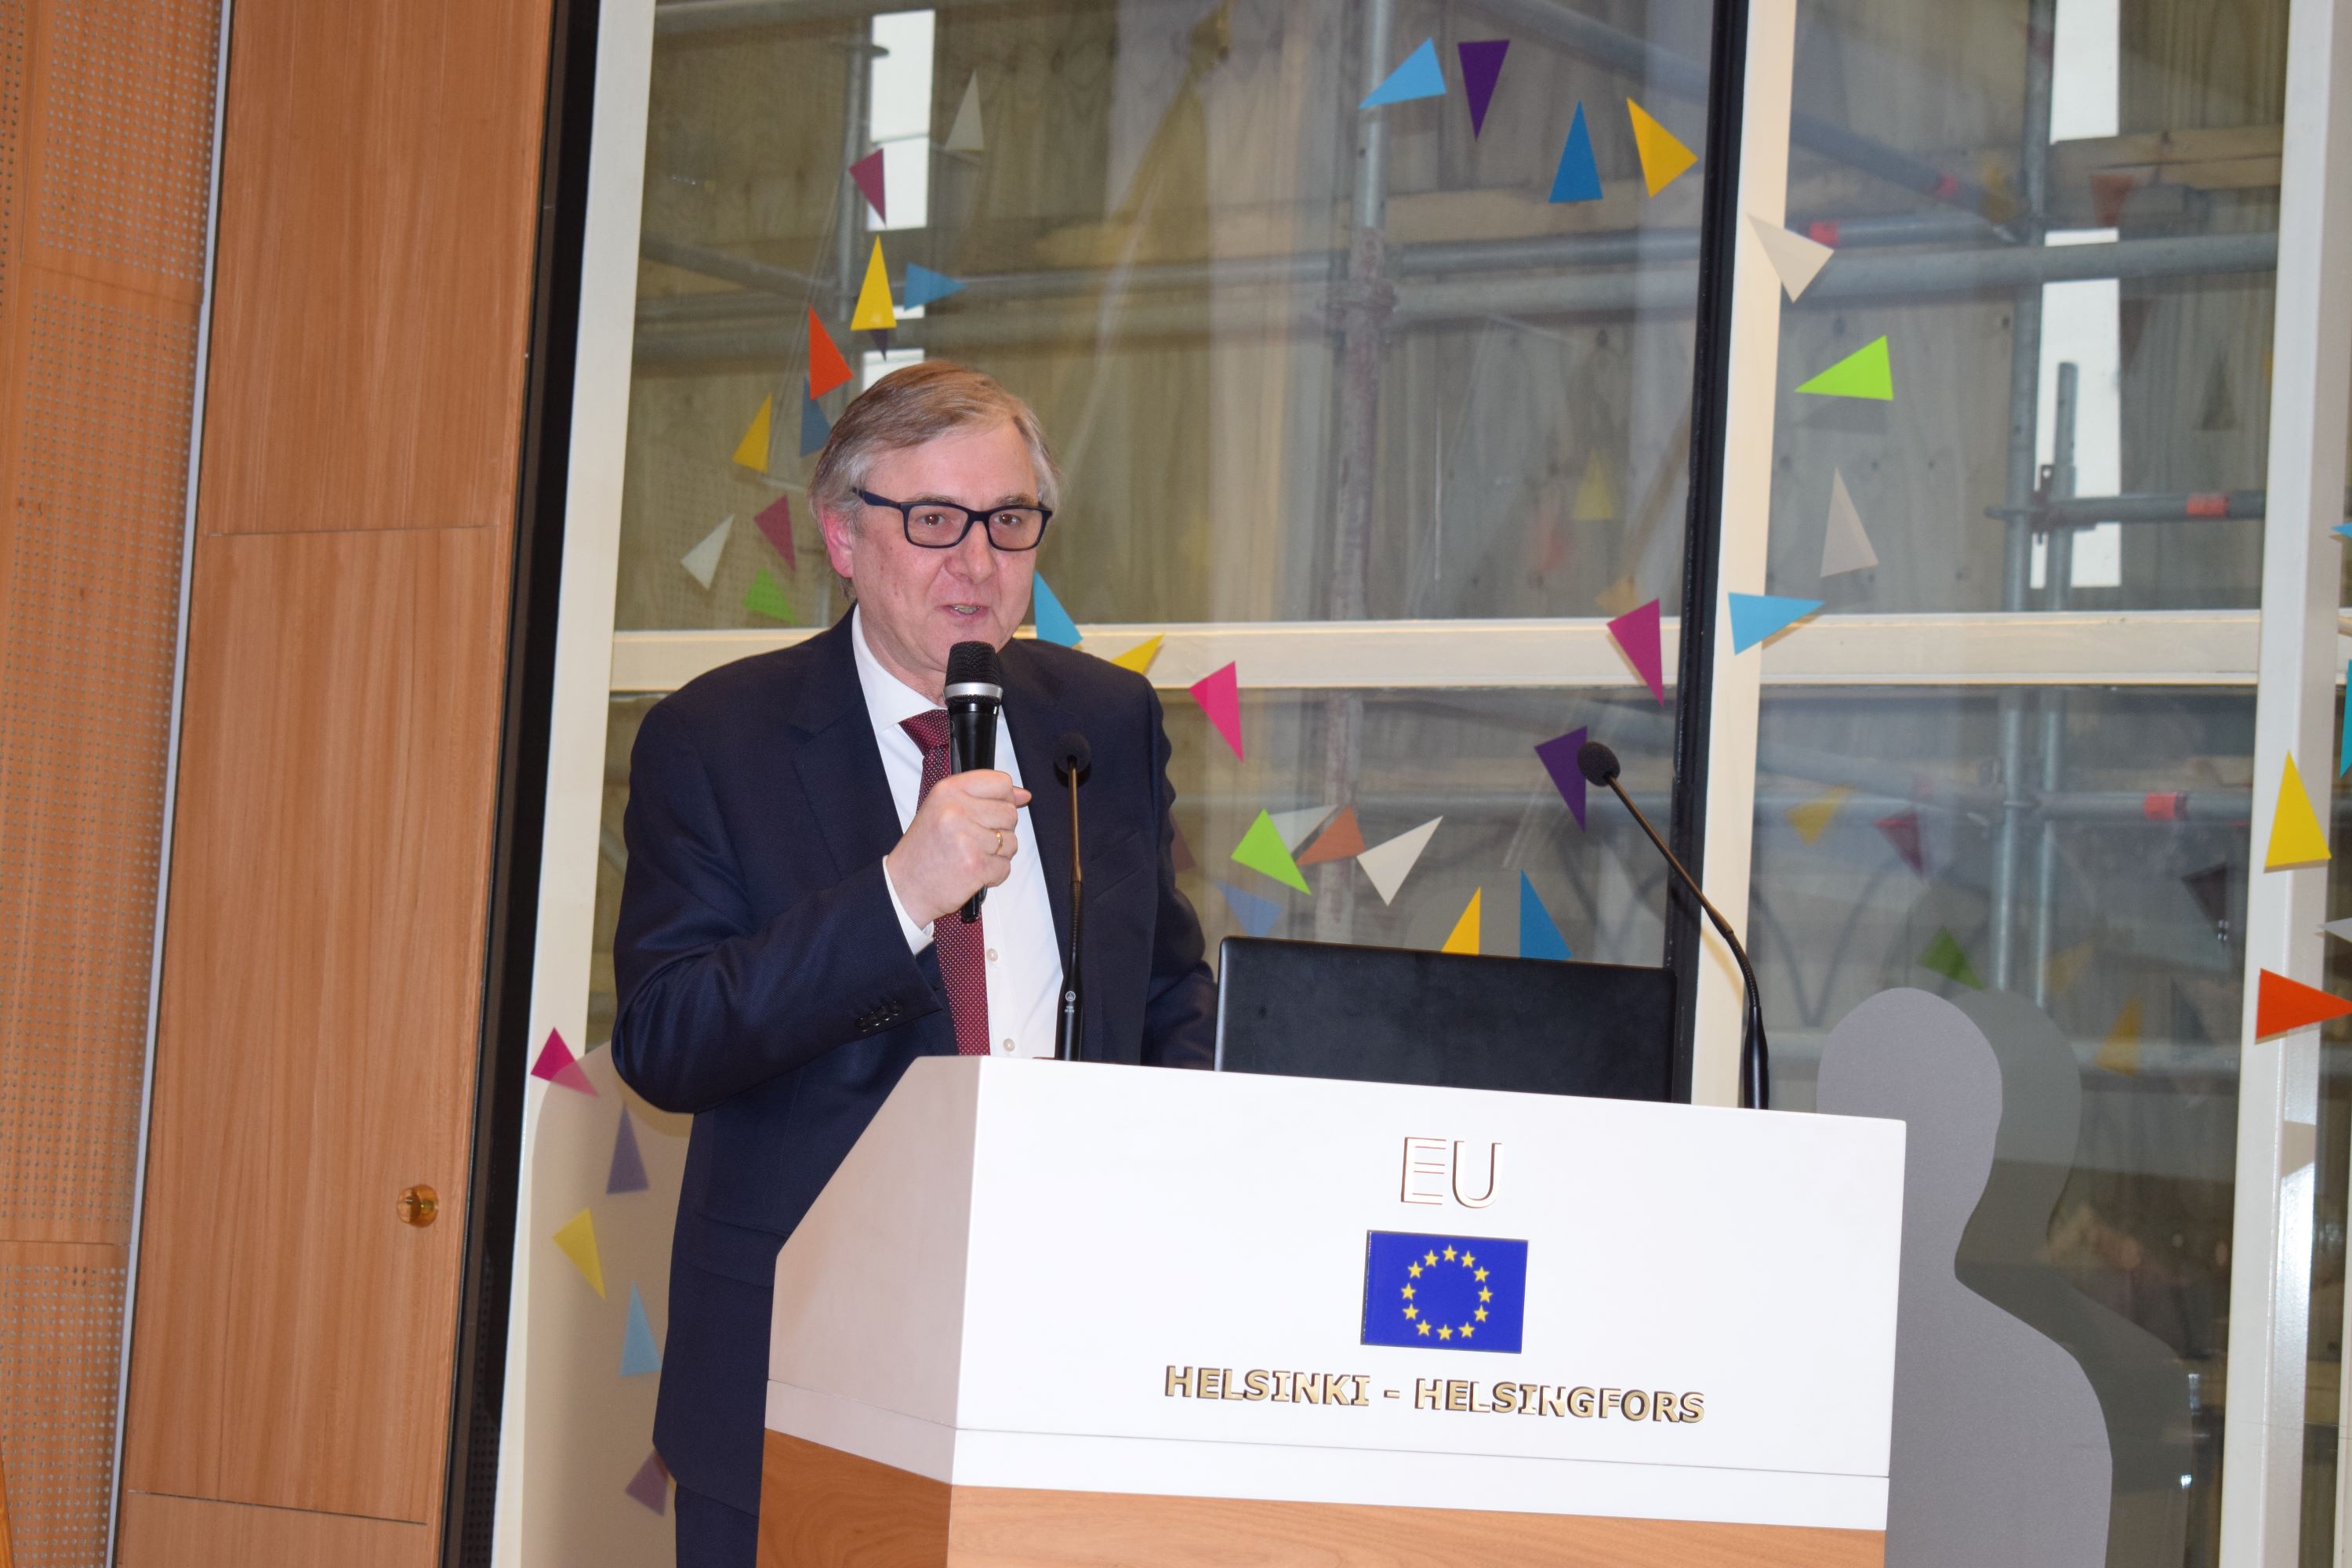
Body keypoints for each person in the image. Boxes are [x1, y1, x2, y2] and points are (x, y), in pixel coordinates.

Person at [610, 361, 1218, 1567]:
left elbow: (1165, 989)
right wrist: (898, 895)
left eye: (1010, 520)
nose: (978, 563)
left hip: (1071, 1353)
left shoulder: (1105, 719)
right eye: (935, 521)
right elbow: (670, 1038)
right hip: (804, 1365)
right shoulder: (716, 738)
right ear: (842, 537)